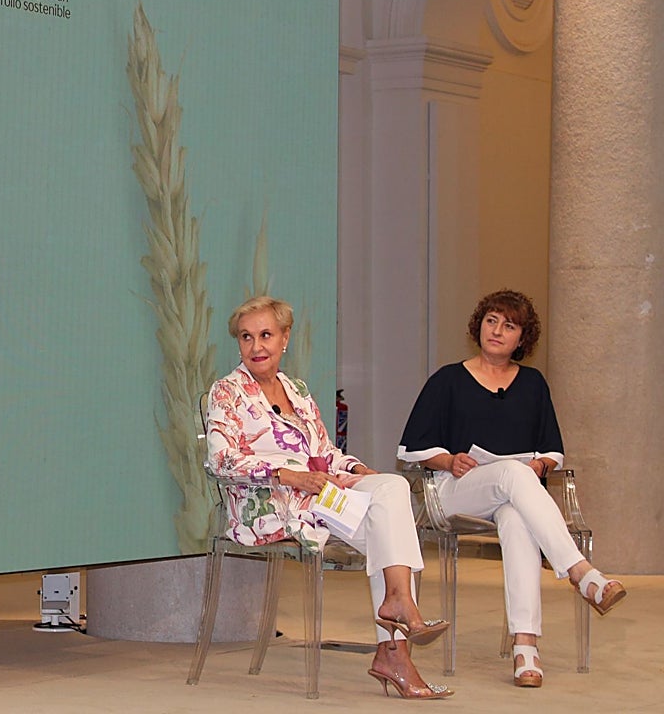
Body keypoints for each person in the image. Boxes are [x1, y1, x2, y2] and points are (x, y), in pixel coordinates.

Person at [206, 296, 452, 700]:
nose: (257, 347)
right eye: (247, 338)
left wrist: (356, 470)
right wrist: (290, 475)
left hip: (320, 499)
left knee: (391, 489)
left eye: (266, 335)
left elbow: (325, 452)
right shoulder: (228, 392)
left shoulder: (297, 391)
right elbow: (220, 460)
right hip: (269, 506)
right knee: (387, 533)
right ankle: (397, 640)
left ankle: (397, 615)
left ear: (285, 338)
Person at [398, 289, 626, 689]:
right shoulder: (448, 379)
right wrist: (449, 460)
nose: (497, 331)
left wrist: (538, 464)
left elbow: (552, 451)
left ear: (522, 339)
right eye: (491, 320)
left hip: (511, 495)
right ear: (478, 325)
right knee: (512, 475)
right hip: (456, 489)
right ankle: (580, 572)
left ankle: (526, 649)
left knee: (518, 515)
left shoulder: (534, 384)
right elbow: (410, 448)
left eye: (509, 325)